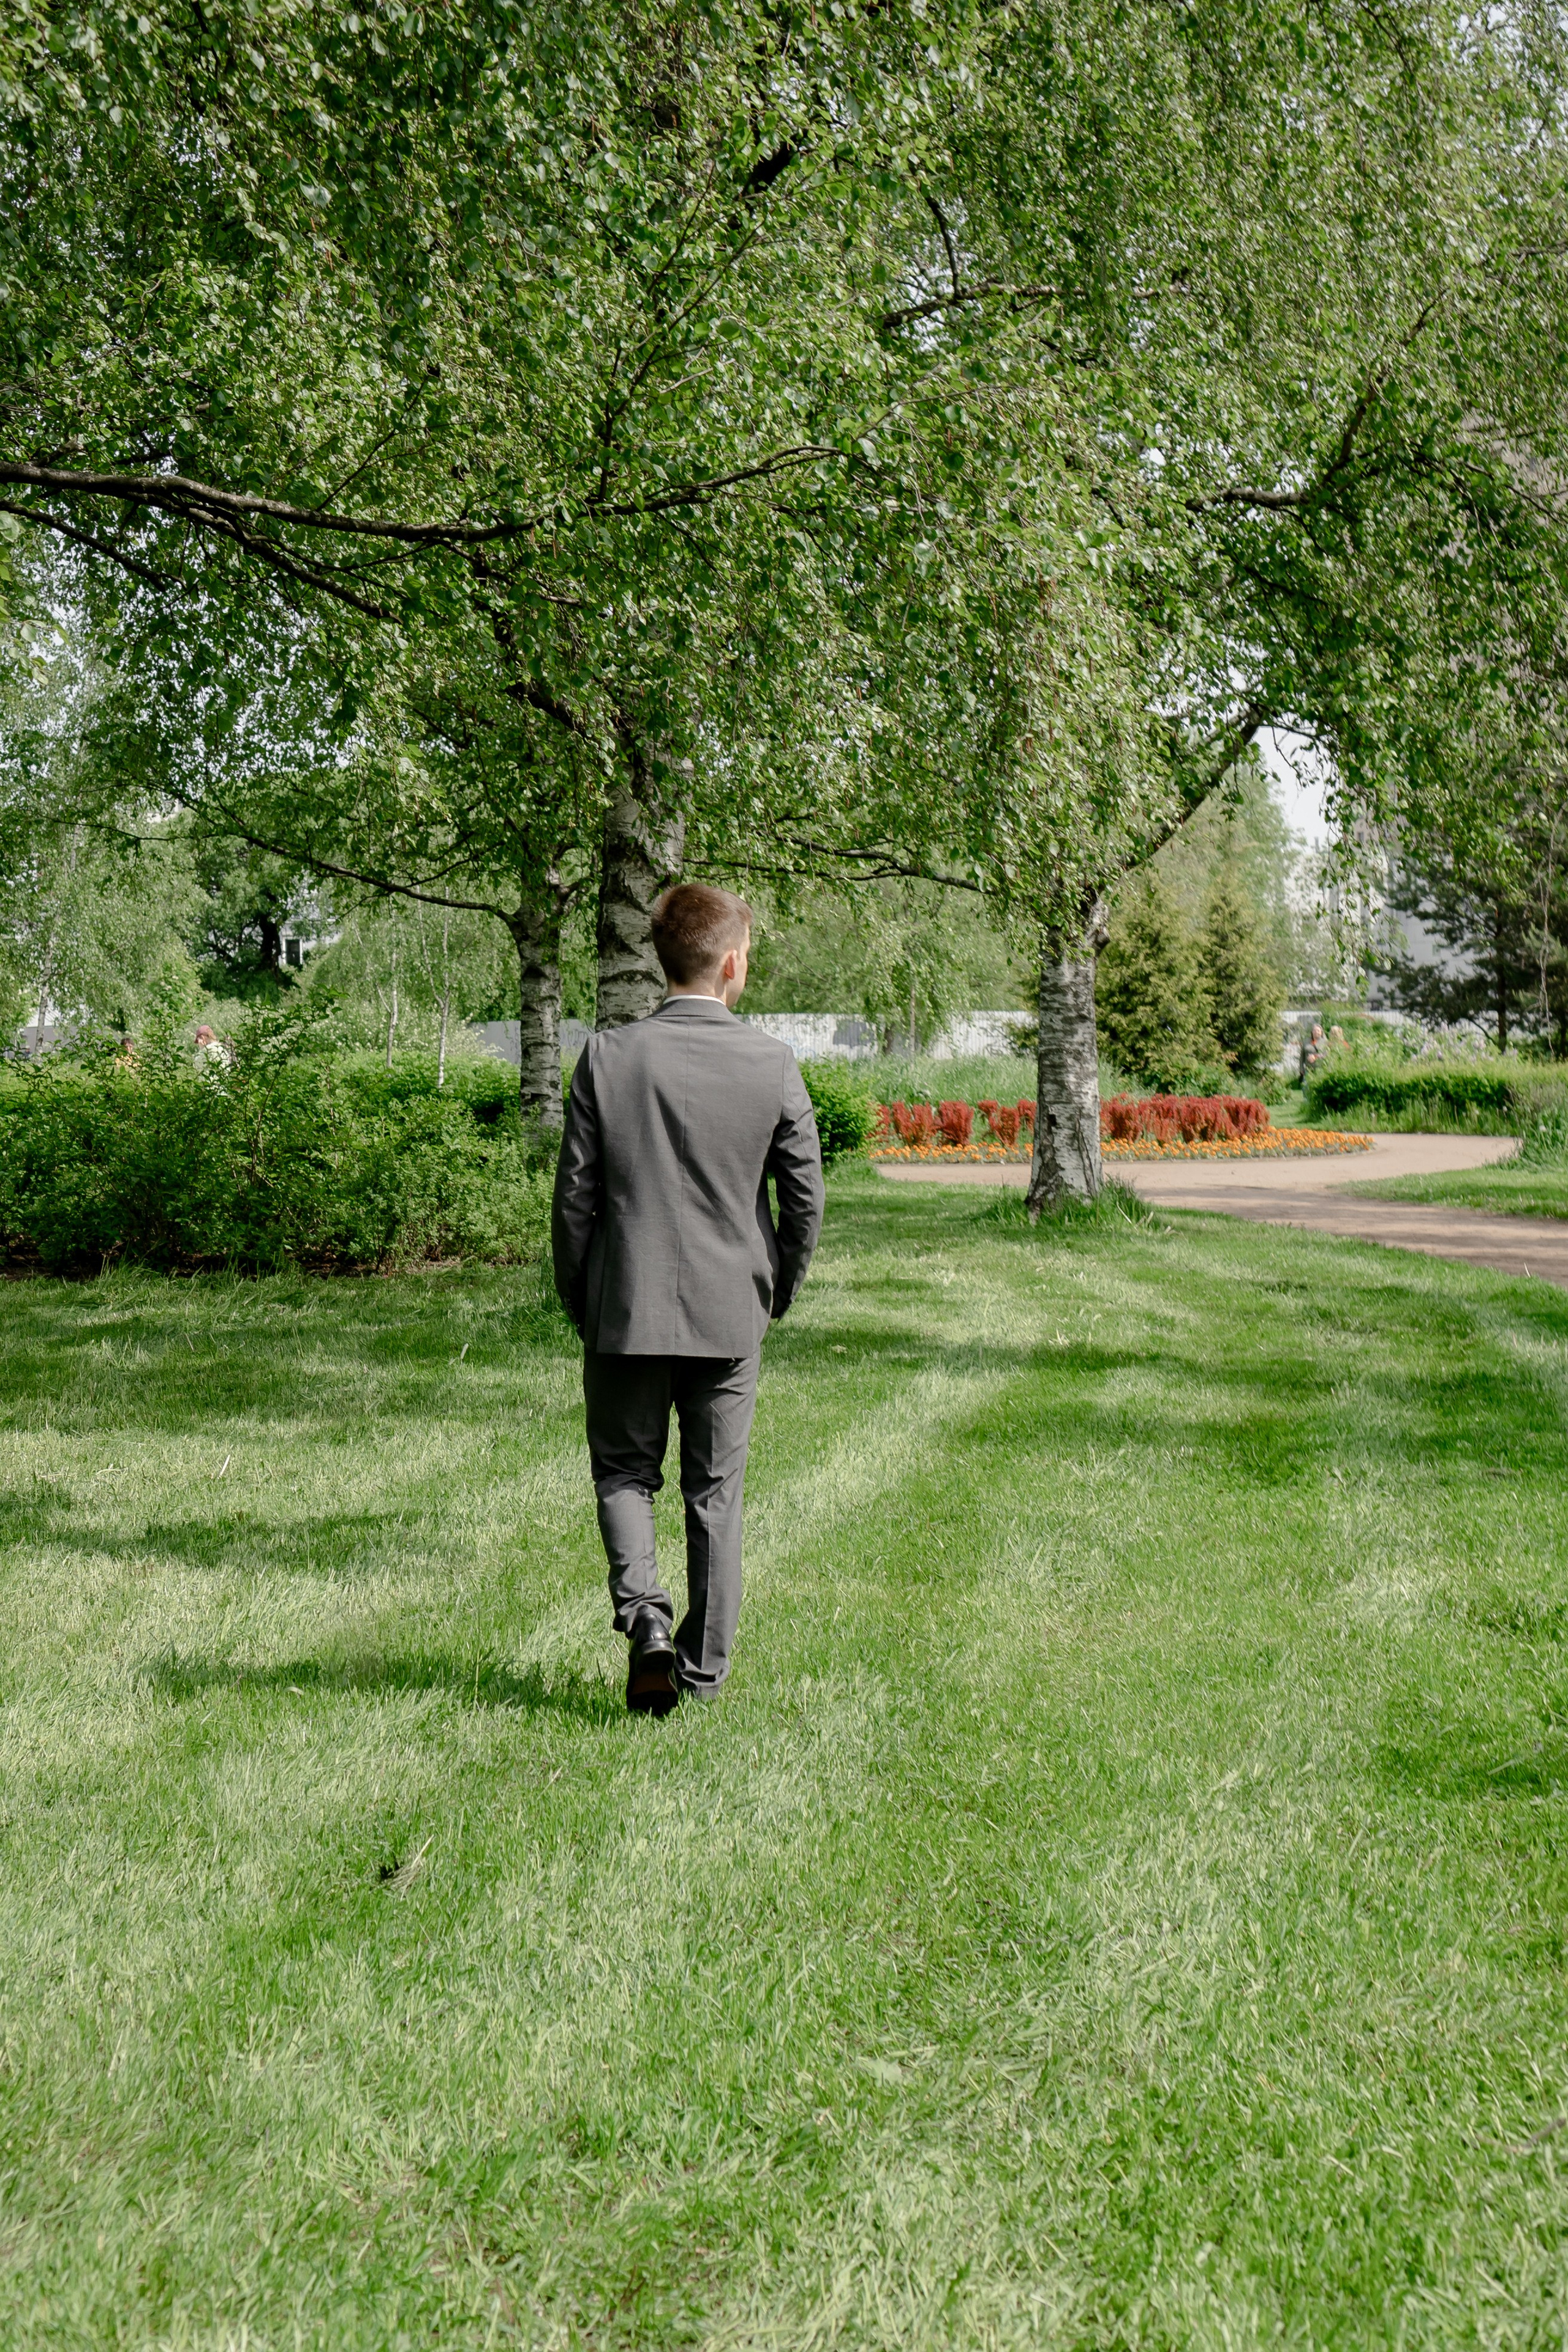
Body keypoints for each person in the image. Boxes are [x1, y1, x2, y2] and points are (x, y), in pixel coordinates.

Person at [551, 883, 825, 1716]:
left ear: (660, 959)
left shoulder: (605, 1056)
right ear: (734, 962)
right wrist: (775, 1286)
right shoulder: (773, 1063)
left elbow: (574, 1200)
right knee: (715, 1496)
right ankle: (702, 1678)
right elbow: (804, 1196)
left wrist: (584, 1300)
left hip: (624, 1310)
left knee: (625, 1474)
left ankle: (645, 1623)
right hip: (729, 1313)